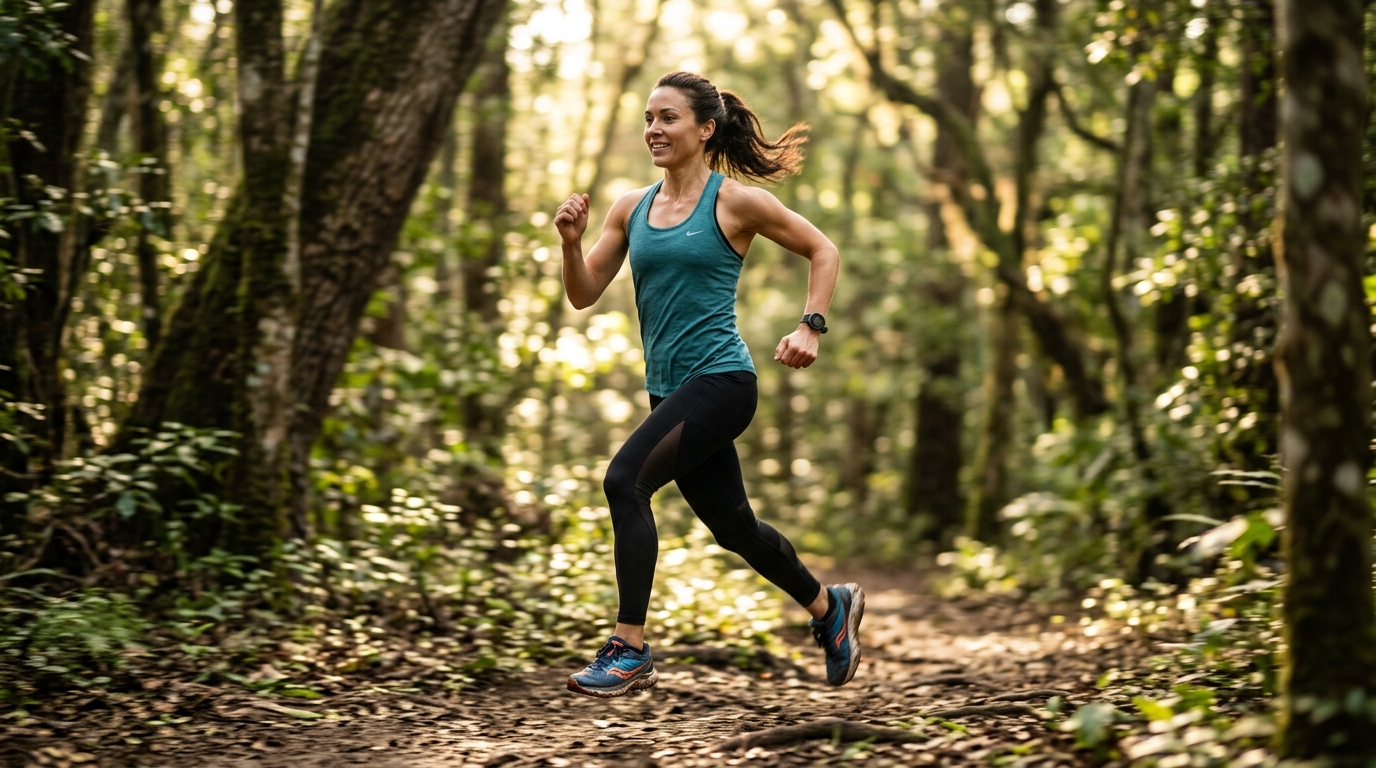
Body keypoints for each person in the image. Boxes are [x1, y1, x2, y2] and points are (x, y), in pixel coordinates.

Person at [553, 71, 863, 698]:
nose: (653, 130)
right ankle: (830, 608)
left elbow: (822, 250)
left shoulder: (734, 202)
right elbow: (584, 295)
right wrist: (571, 244)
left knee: (624, 481)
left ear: (705, 128)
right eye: (648, 118)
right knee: (734, 528)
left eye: (668, 117)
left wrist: (811, 325)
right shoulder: (630, 208)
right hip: (668, 391)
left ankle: (628, 647)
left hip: (721, 379)